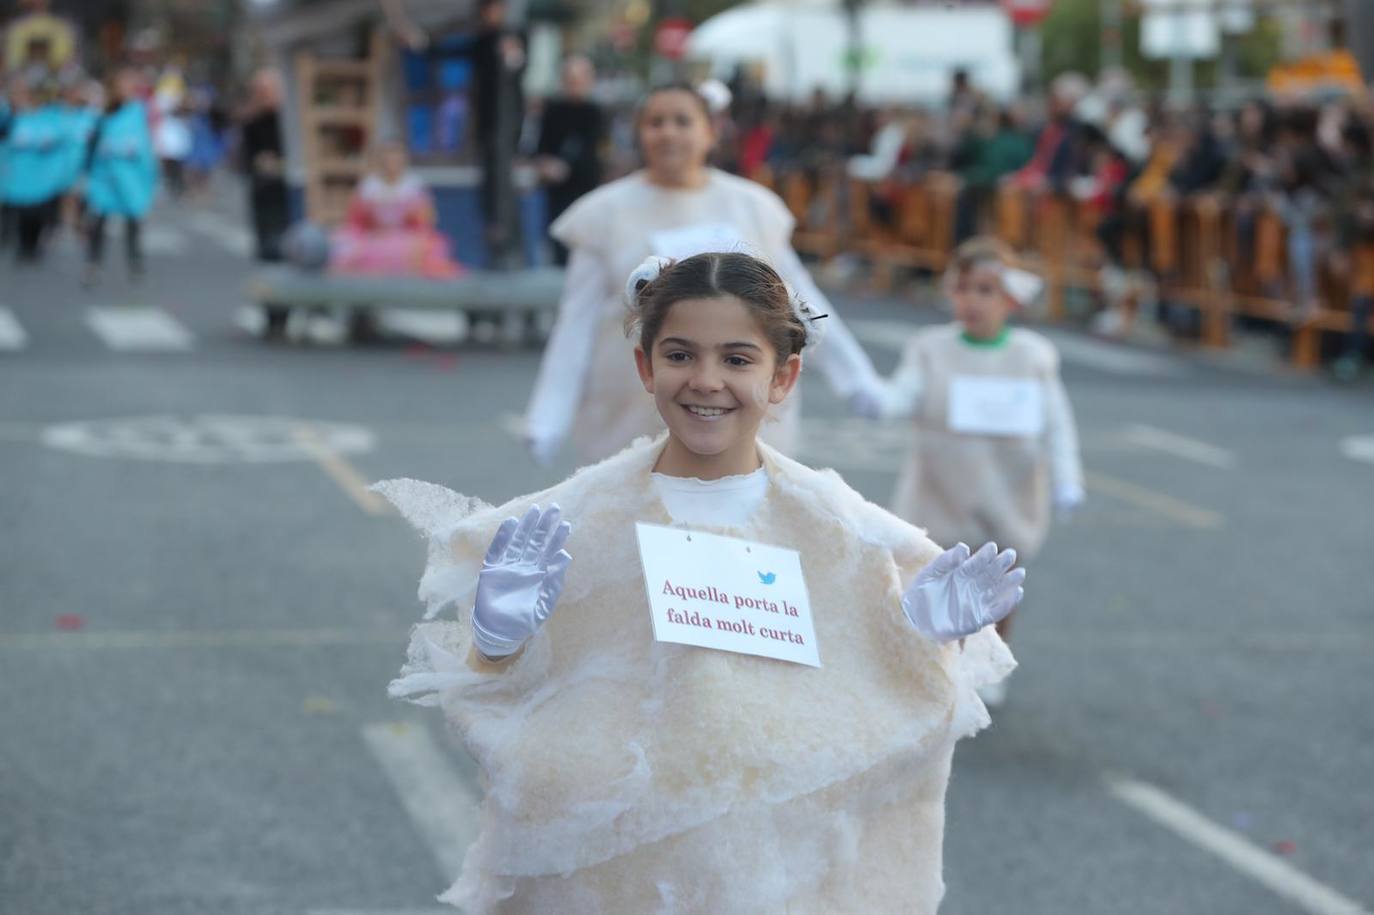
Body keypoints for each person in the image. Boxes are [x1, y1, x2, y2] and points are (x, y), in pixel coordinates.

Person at [376, 250, 1022, 913]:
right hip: (616, 883)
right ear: (645, 364)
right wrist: (499, 645)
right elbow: (508, 727)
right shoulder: (572, 523)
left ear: (784, 376)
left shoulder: (844, 532)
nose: (706, 380)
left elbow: (884, 735)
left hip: (774, 875)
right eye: (681, 355)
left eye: (738, 359)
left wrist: (916, 645)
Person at [523, 83, 886, 466]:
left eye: (683, 121)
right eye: (655, 122)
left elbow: (802, 302)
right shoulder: (604, 212)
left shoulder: (753, 207)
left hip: (737, 394)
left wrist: (857, 378)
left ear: (710, 132)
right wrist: (548, 413)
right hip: (634, 402)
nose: (668, 132)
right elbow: (575, 322)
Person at [860, 237, 1083, 706]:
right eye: (963, 289)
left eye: (985, 290)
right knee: (931, 575)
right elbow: (905, 392)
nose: (972, 301)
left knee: (1000, 580)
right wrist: (878, 399)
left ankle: (992, 658)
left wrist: (1067, 479)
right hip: (941, 488)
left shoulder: (1033, 355)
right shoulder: (931, 348)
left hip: (1009, 489)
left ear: (1009, 298)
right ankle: (930, 661)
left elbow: (1057, 421)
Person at [329, 140, 463, 278]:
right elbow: (354, 220)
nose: (391, 163)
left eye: (396, 158)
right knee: (342, 244)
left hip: (406, 239)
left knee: (430, 247)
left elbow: (428, 219)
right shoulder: (369, 186)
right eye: (388, 158)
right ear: (380, 160)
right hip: (373, 238)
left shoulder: (413, 185)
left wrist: (413, 214)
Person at [82, 67, 158, 287]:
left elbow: (145, 143)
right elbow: (93, 141)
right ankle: (93, 264)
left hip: (130, 177)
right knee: (98, 220)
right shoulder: (103, 113)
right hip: (105, 176)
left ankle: (135, 263)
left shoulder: (140, 111)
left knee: (133, 220)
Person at [534, 55, 604, 266]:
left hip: (585, 184)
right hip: (558, 189)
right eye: (569, 79)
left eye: (579, 79)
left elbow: (593, 148)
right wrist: (545, 164)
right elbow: (540, 146)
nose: (574, 85)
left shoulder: (594, 112)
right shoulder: (553, 109)